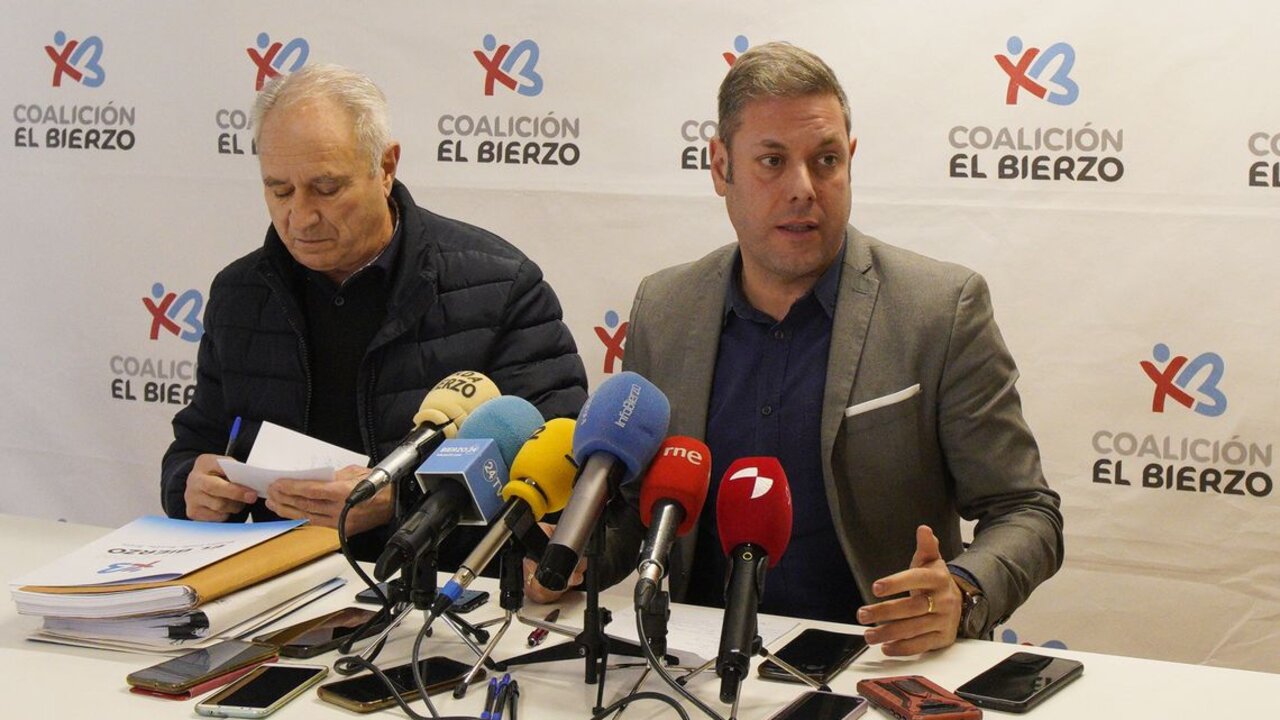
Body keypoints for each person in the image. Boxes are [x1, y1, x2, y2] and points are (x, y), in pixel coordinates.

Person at [605, 42, 1064, 656]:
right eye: (772, 161)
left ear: (849, 160)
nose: (804, 189)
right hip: (691, 666)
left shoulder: (940, 308)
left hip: (872, 665)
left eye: (825, 160)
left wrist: (962, 588)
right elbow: (637, 508)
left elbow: (1027, 511)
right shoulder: (664, 308)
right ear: (720, 168)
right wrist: (567, 555)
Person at [161, 64, 588, 560]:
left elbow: (557, 473)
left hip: (446, 596)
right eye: (279, 190)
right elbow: (198, 440)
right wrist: (189, 485)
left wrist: (400, 503)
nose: (299, 216)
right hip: (277, 593)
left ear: (385, 167)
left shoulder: (502, 288)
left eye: (326, 188)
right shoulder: (239, 293)